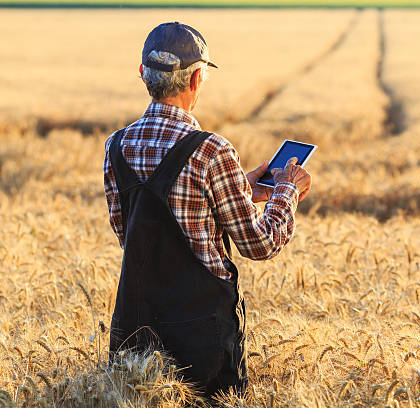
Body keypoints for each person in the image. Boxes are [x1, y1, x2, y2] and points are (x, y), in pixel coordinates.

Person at [102, 21, 311, 400]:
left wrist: (238, 186)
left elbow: (131, 231)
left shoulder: (117, 145)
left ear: (142, 74)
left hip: (133, 328)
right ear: (197, 78)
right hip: (200, 334)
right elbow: (259, 244)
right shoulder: (211, 150)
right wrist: (286, 191)